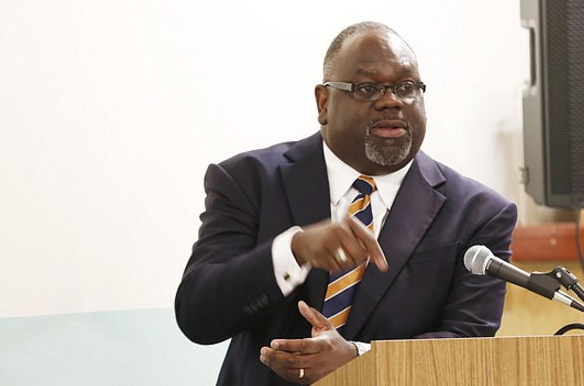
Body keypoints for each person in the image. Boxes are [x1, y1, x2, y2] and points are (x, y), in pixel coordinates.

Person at [175, 21, 518, 385]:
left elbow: (467, 344)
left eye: (406, 87)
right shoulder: (249, 181)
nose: (391, 101)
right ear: (324, 102)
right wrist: (294, 250)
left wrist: (359, 358)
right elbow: (198, 315)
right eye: (367, 88)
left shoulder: (478, 213)